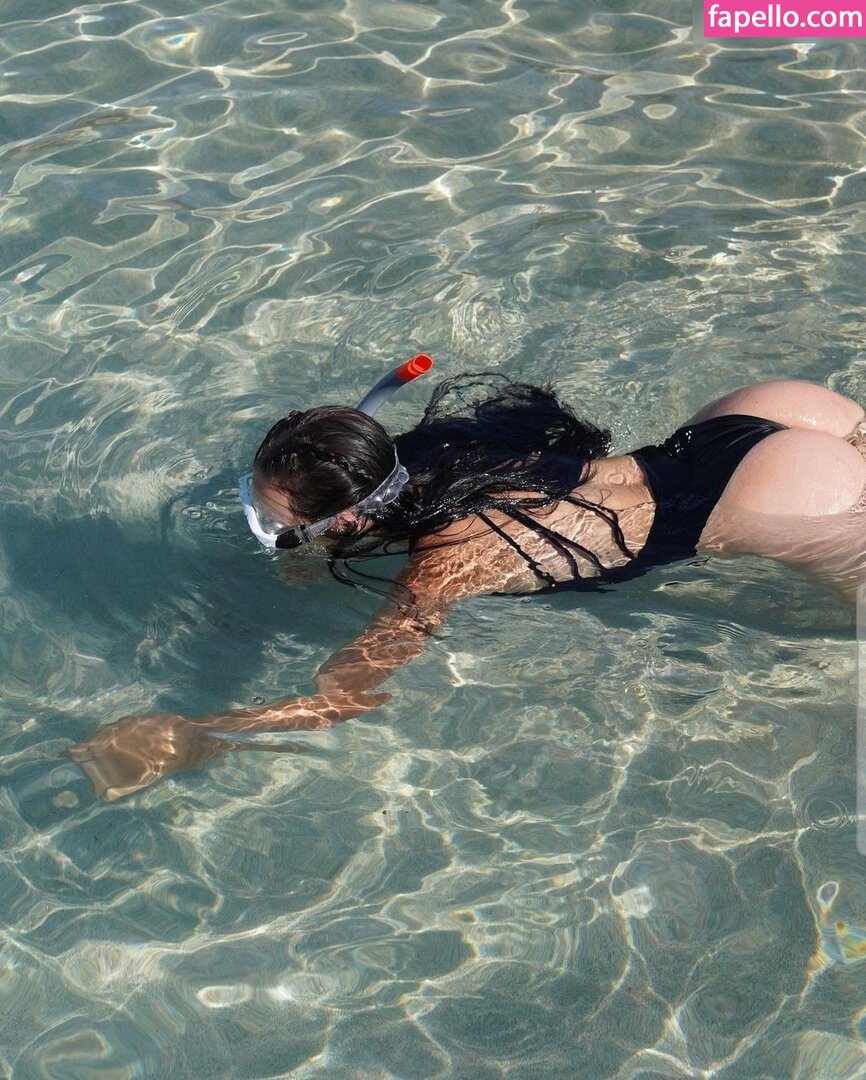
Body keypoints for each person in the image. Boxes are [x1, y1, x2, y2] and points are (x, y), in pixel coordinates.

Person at [69, 363, 866, 800]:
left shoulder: (448, 560)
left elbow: (344, 698)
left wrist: (198, 734)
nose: (270, 537)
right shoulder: (434, 452)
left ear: (350, 517)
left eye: (275, 525)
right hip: (753, 418)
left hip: (776, 498)